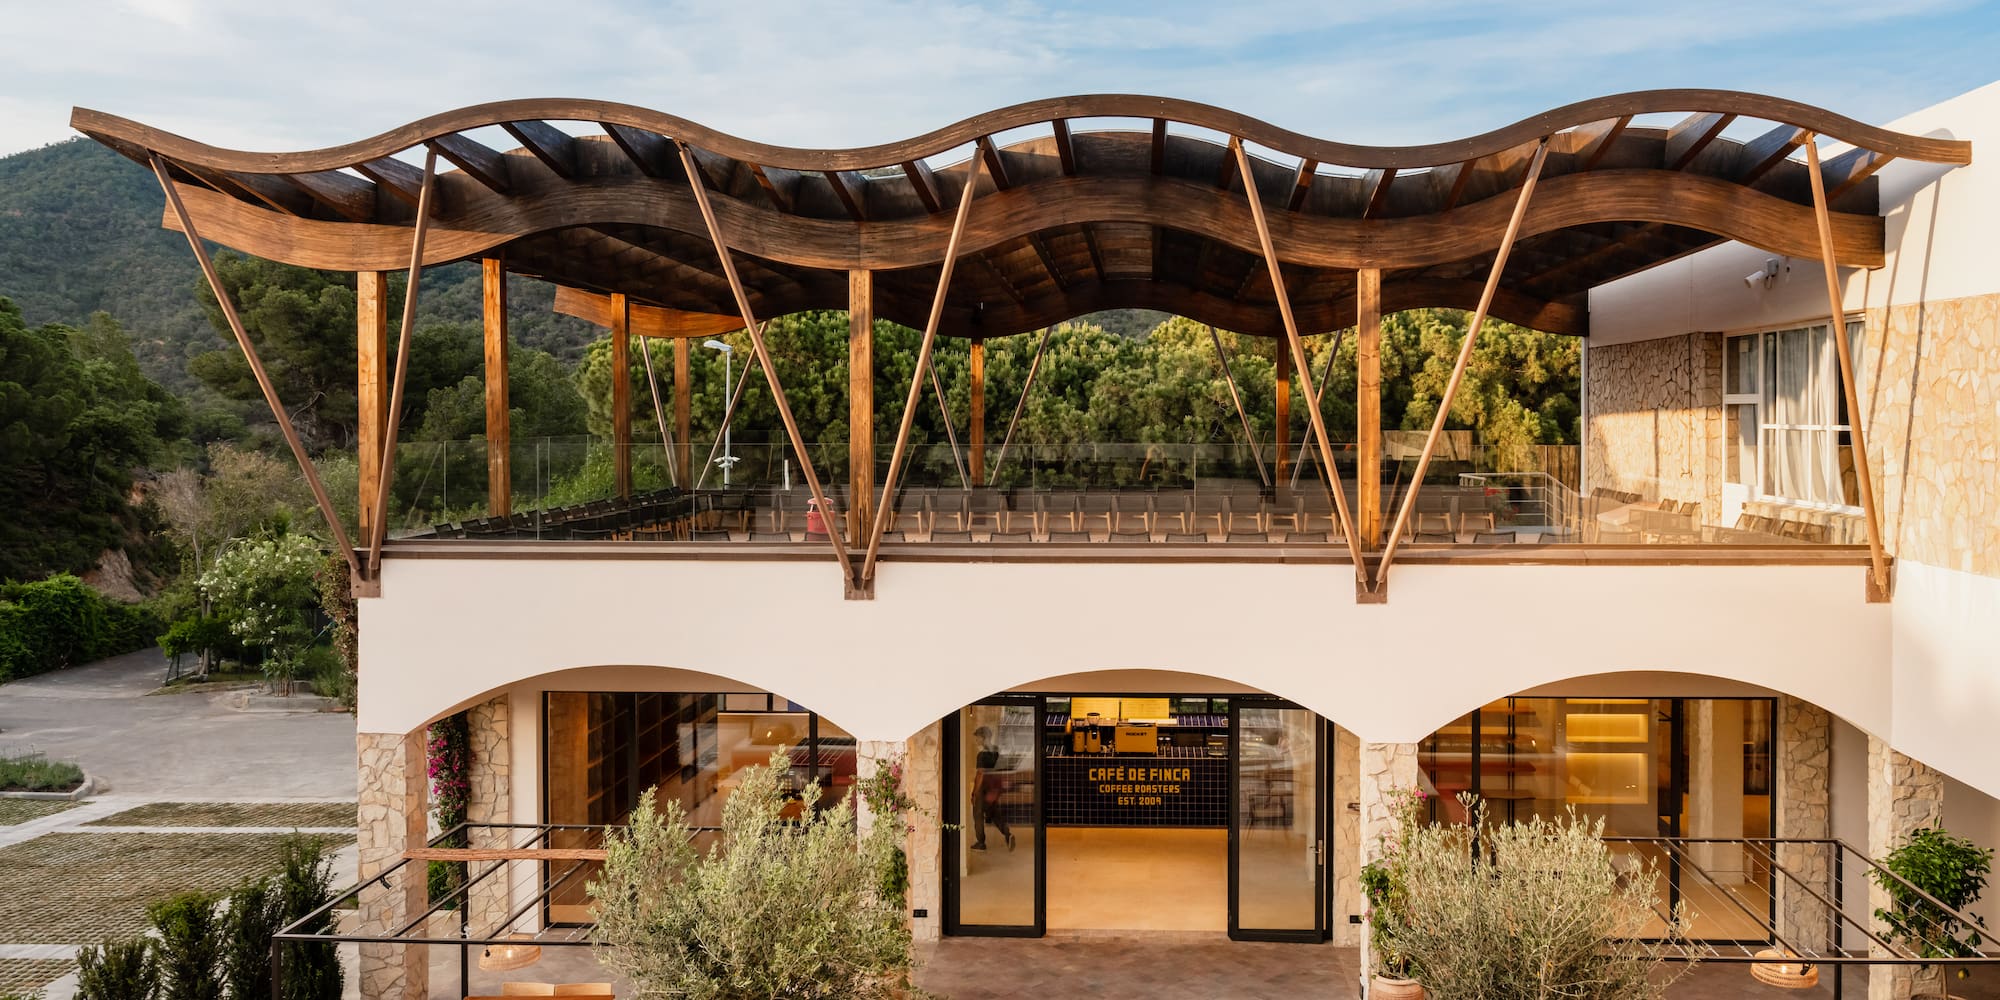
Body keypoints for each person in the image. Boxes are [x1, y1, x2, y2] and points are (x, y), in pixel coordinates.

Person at [969, 726, 1014, 851]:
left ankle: (980, 842)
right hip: (993, 787)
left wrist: (975, 793)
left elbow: (980, 774)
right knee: (994, 813)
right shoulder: (996, 752)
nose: (976, 740)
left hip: (983, 788)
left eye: (978, 737)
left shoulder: (982, 755)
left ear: (983, 737)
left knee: (978, 815)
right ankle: (1007, 834)